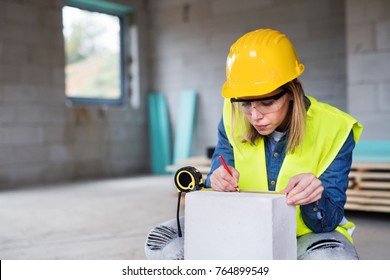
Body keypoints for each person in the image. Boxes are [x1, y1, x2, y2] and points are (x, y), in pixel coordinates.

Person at [145, 28, 363, 260]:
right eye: (245, 103)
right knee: (161, 240)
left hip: (304, 235)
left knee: (334, 262)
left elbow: (326, 222)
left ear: (293, 90)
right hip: (241, 223)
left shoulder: (336, 128)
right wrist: (216, 180)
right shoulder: (232, 115)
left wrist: (313, 197)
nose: (254, 115)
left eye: (267, 103)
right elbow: (218, 178)